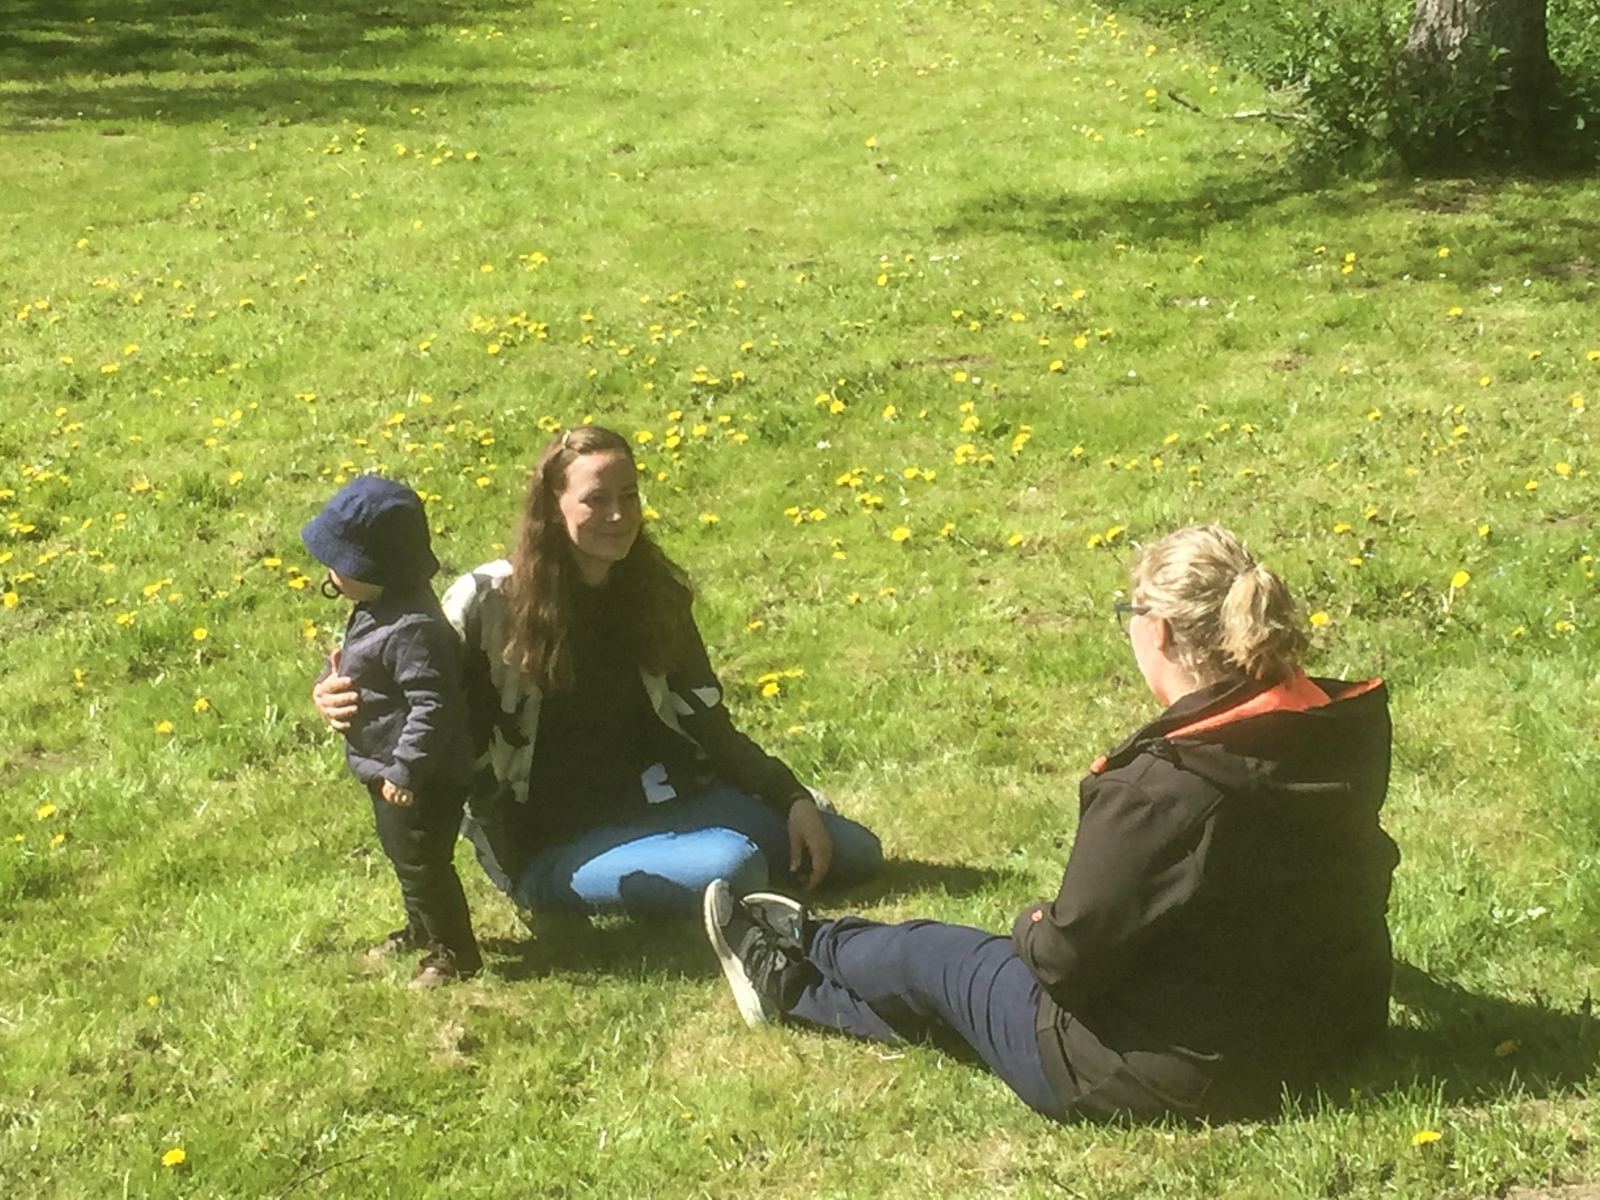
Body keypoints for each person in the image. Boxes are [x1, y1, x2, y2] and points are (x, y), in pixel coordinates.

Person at [704, 524, 1399, 1123]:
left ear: (1157, 628)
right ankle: (791, 988)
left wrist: (1032, 923)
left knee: (936, 958)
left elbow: (1065, 961)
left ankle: (810, 941)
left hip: (1157, 1073)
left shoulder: (1161, 788)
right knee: (959, 1005)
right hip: (1330, 1027)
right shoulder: (1334, 725)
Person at [313, 425, 880, 919]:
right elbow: (414, 681)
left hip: (668, 805)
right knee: (735, 866)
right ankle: (649, 870)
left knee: (854, 851)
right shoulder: (488, 603)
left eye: (629, 496)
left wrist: (788, 796)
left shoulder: (654, 593)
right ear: (552, 508)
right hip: (549, 840)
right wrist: (335, 695)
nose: (618, 516)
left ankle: (718, 843)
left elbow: (709, 724)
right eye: (596, 500)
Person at [302, 476, 482, 988]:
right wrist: (331, 678)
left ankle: (454, 953)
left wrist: (406, 770)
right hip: (386, 768)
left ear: (375, 567)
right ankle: (421, 928)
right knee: (405, 859)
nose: (331, 572)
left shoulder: (414, 628)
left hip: (423, 777)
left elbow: (434, 705)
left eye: (340, 563)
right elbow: (358, 662)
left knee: (425, 863)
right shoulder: (378, 608)